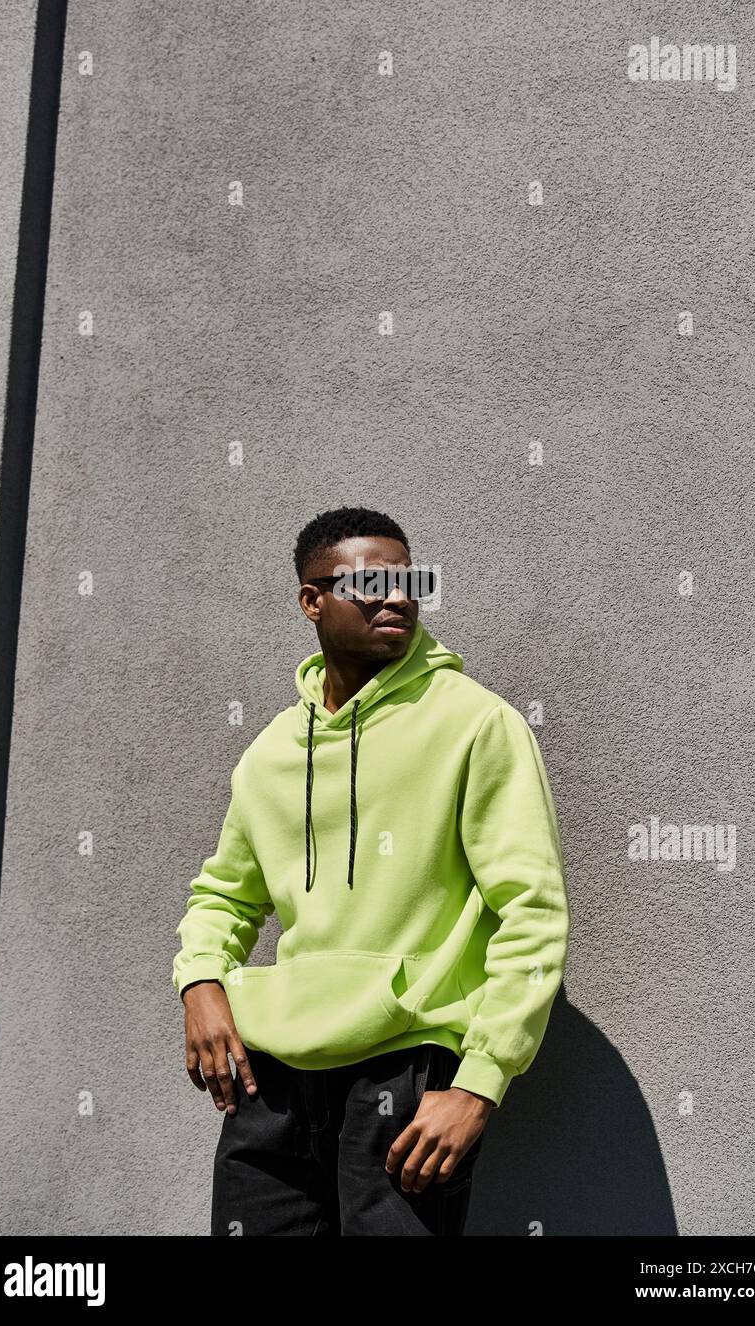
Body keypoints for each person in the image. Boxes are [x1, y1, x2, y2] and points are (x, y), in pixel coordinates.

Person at [173, 505, 571, 1236]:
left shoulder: (476, 725)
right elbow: (224, 895)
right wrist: (201, 982)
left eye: (410, 580)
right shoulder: (270, 752)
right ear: (310, 600)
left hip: (407, 1077)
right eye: (369, 583)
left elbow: (533, 914)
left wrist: (480, 1084)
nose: (396, 597)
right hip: (272, 1088)